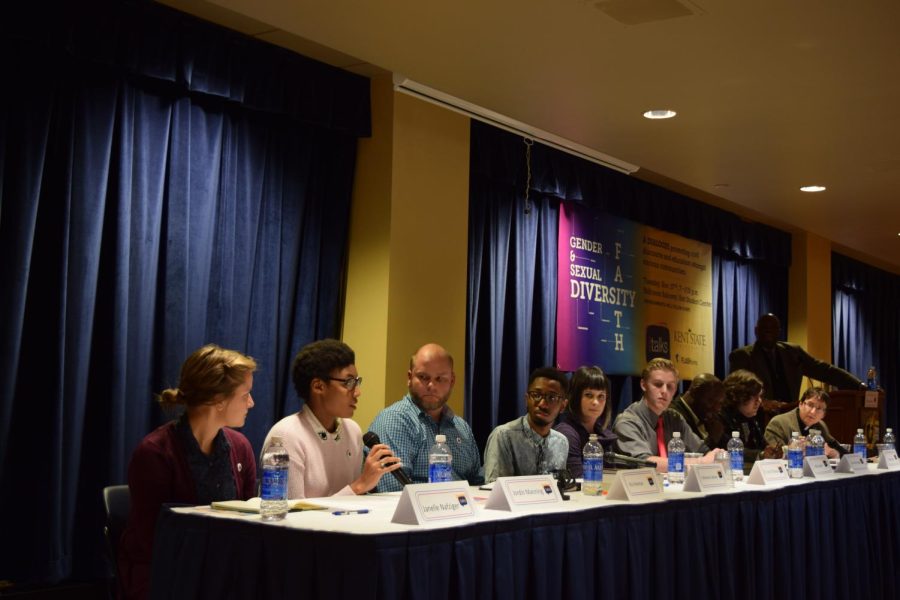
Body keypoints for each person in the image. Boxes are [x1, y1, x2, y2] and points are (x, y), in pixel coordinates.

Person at [118, 344, 258, 600]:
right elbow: (154, 543)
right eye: (245, 394)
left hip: (223, 573)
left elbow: (250, 522)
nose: (251, 402)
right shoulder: (155, 453)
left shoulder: (240, 448)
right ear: (218, 399)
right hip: (168, 576)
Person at [263, 339, 402, 498]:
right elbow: (291, 514)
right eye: (349, 382)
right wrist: (359, 486)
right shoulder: (286, 435)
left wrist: (363, 485)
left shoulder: (352, 430)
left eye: (357, 382)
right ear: (318, 386)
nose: (357, 393)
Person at [367, 343, 483, 492]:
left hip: (462, 510)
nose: (431, 385)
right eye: (423, 377)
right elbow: (393, 493)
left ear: (452, 381)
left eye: (440, 379)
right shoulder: (395, 420)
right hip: (415, 512)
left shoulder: (462, 427)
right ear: (409, 377)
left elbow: (478, 485)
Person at [729, 314, 865, 408]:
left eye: (772, 329)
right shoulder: (741, 356)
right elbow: (735, 392)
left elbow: (825, 370)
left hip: (790, 413)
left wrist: (858, 385)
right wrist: (764, 403)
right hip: (758, 419)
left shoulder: (792, 352)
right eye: (765, 329)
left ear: (779, 331)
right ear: (756, 331)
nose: (768, 332)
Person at [613, 358, 718, 473]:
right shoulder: (627, 422)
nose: (664, 391)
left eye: (670, 386)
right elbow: (646, 463)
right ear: (643, 385)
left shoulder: (675, 418)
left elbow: (702, 451)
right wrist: (700, 462)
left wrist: (715, 455)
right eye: (658, 384)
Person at [483, 367, 570, 481]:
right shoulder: (504, 436)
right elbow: (495, 490)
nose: (543, 404)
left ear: (563, 406)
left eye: (552, 398)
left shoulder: (561, 442)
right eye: (536, 395)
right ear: (526, 399)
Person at [553, 365, 617, 478]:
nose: (595, 402)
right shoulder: (566, 433)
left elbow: (611, 477)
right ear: (576, 397)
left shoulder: (604, 434)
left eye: (601, 396)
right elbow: (578, 481)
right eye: (589, 395)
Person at [707, 370, 773, 467]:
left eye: (760, 396)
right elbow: (730, 450)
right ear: (739, 396)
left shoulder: (751, 416)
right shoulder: (720, 416)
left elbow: (761, 445)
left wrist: (771, 451)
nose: (759, 401)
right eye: (754, 397)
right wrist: (761, 454)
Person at [764, 387, 846, 458]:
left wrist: (834, 453)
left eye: (819, 408)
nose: (813, 412)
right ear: (800, 404)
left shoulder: (821, 426)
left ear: (823, 415)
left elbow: (842, 451)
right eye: (810, 405)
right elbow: (774, 455)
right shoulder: (778, 423)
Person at [670, 373, 725, 445]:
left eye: (720, 403)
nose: (717, 408)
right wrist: (712, 439)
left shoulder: (707, 416)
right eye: (711, 401)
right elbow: (688, 453)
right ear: (694, 392)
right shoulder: (673, 416)